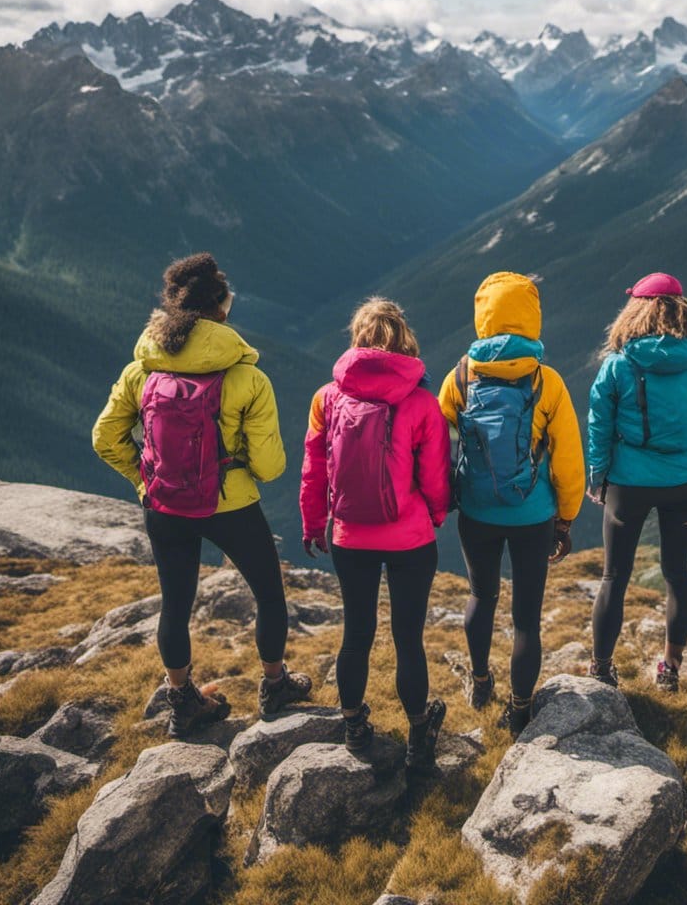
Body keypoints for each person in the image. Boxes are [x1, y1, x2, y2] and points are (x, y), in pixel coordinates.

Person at [93, 252, 311, 738]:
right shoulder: (247, 378)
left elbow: (104, 438)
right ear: (220, 308)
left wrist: (145, 479)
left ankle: (182, 701)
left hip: (165, 505)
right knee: (269, 596)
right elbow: (272, 467)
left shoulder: (140, 372)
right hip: (230, 505)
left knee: (175, 604)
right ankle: (275, 686)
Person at [300, 297, 451, 771]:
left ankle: (353, 725)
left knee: (357, 633)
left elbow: (314, 469)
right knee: (408, 638)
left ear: (358, 341)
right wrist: (436, 516)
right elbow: (435, 477)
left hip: (350, 536)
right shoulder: (422, 402)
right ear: (403, 340)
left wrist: (312, 522)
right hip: (410, 538)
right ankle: (418, 731)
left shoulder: (327, 397)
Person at [439, 272, 585, 736]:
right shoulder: (547, 382)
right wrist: (565, 518)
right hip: (533, 515)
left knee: (482, 595)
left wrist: (445, 498)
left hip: (477, 513)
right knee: (526, 616)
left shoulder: (459, 376)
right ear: (531, 317)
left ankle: (481, 681)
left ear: (484, 316)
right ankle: (520, 707)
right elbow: (567, 460)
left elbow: (438, 447)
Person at [587, 273, 687, 692]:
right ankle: (671, 669)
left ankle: (602, 668)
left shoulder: (617, 366)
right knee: (678, 574)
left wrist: (598, 477)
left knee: (614, 577)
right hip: (683, 483)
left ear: (634, 312)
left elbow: (599, 428)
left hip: (628, 484)